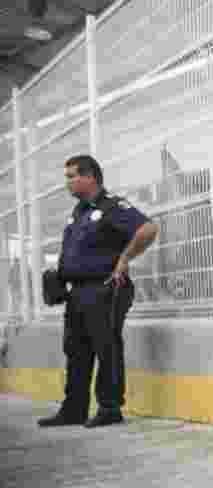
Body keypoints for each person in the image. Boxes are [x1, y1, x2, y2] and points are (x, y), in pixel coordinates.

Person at [38, 155, 159, 429]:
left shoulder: (111, 206)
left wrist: (124, 259)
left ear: (90, 176)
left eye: (71, 176)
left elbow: (148, 229)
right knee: (76, 349)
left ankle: (110, 407)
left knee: (107, 346)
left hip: (104, 288)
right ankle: (74, 409)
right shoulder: (79, 212)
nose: (66, 182)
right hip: (77, 292)